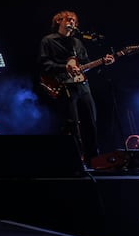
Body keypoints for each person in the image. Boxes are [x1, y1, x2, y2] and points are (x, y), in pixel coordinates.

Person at [38, 9, 114, 164]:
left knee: (90, 121)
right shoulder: (48, 40)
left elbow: (85, 64)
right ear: (59, 21)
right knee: (71, 124)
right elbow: (44, 64)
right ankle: (73, 160)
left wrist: (101, 62)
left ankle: (93, 160)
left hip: (83, 86)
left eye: (73, 20)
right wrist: (64, 67)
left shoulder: (77, 42)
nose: (71, 21)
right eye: (68, 19)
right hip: (64, 86)